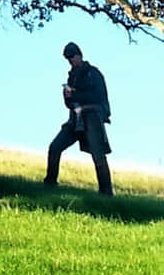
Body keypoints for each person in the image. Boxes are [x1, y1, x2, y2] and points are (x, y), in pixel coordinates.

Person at [42, 41, 114, 195]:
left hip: (92, 118)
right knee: (55, 147)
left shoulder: (93, 73)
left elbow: (98, 96)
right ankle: (50, 182)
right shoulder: (71, 77)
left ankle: (106, 192)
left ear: (79, 56)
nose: (70, 61)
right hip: (75, 120)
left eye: (72, 57)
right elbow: (69, 103)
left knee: (98, 154)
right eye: (68, 59)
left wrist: (75, 94)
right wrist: (67, 96)